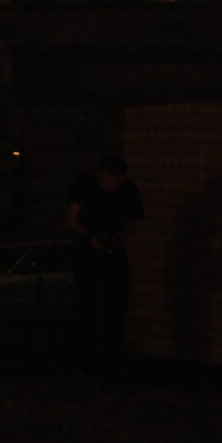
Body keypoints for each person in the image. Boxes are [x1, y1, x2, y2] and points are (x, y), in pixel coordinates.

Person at [67, 153, 144, 388]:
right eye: (109, 181)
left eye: (117, 182)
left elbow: (134, 222)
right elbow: (72, 219)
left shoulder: (128, 190)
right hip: (87, 256)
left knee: (116, 310)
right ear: (100, 175)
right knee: (86, 310)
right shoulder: (85, 186)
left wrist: (119, 238)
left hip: (115, 254)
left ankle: (111, 368)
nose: (112, 187)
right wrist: (90, 235)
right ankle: (85, 368)